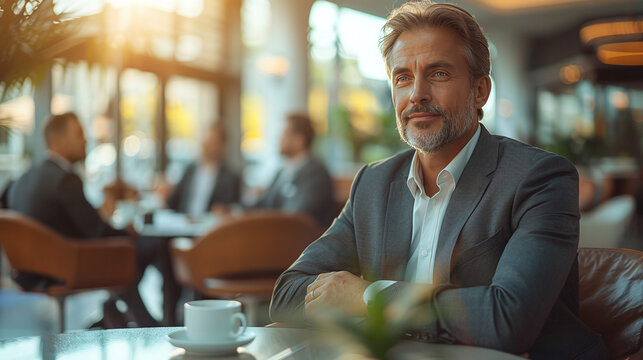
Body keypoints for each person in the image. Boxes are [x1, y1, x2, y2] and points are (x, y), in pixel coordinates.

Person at [269, 2, 608, 359]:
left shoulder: (539, 178)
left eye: (439, 74)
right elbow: (287, 294)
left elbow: (507, 320)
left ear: (480, 92)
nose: (417, 94)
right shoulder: (373, 183)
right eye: (402, 77)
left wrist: (369, 298)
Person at [7, 112, 158, 328]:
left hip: (28, 273)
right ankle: (146, 321)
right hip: (65, 268)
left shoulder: (24, 178)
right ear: (57, 141)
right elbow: (96, 231)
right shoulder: (65, 179)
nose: (86, 140)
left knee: (123, 255)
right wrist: (128, 232)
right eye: (79, 135)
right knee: (142, 247)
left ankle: (120, 311)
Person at [253, 113, 334, 227]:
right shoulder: (281, 172)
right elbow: (264, 204)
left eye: (284, 134)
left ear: (298, 141)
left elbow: (297, 218)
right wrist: (235, 211)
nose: (279, 139)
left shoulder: (316, 175)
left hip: (296, 240)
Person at [167, 122, 241, 216]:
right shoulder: (190, 170)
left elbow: (233, 208)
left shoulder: (231, 177)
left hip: (211, 227)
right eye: (206, 141)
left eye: (212, 142)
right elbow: (172, 201)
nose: (207, 146)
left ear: (223, 146)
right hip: (183, 223)